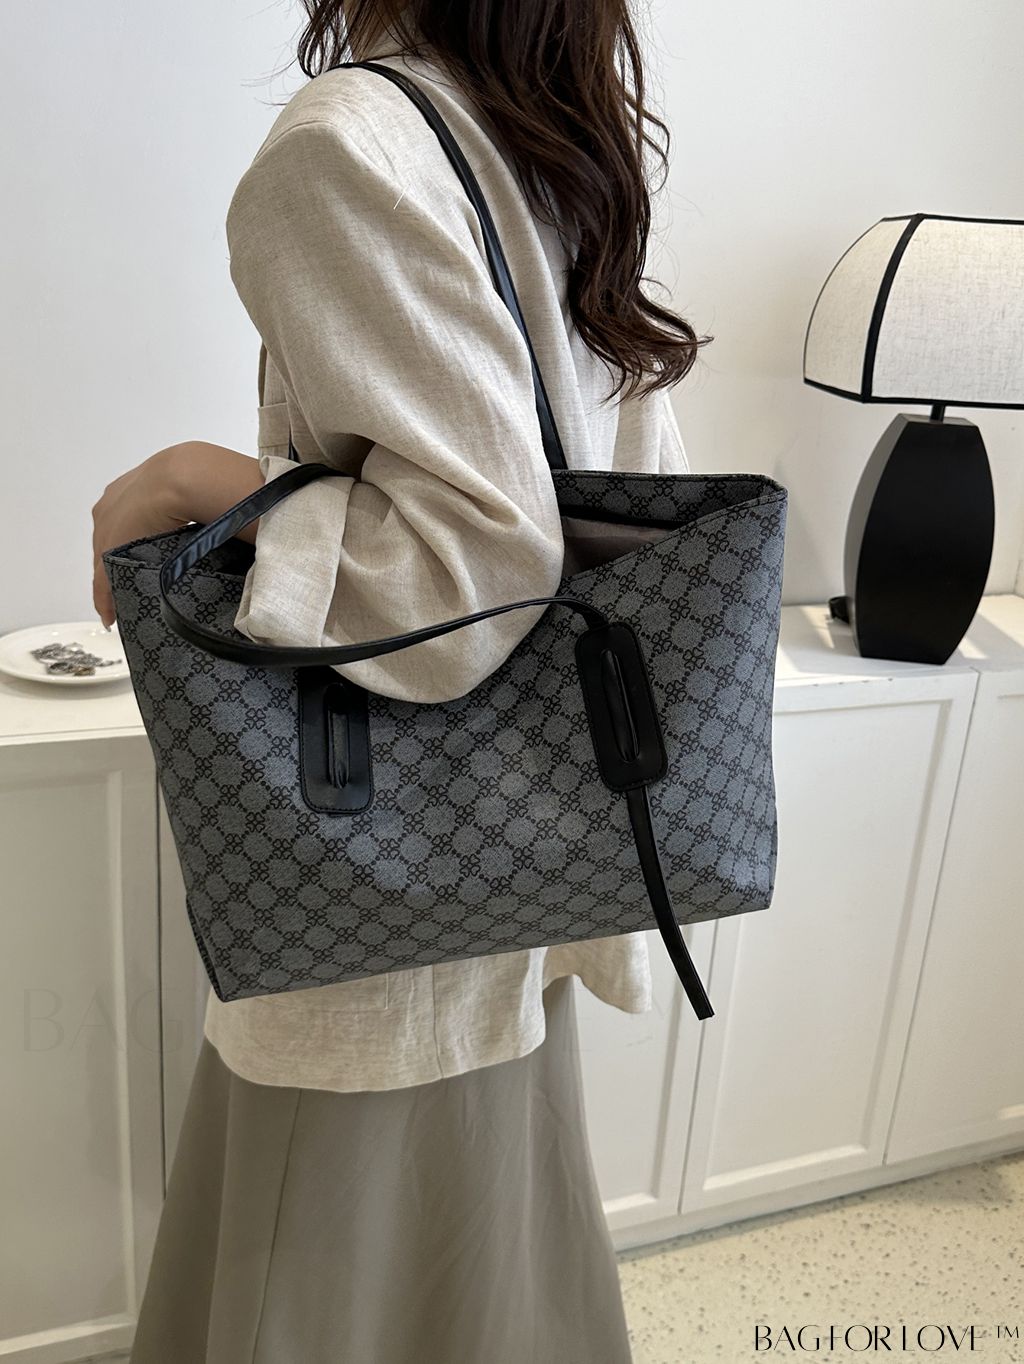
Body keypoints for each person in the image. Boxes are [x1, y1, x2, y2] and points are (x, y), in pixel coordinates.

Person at [92, 2, 707, 1360]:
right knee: (483, 1270)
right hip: (529, 835)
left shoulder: (349, 143)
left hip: (380, 865)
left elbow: (470, 566)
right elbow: (623, 501)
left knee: (318, 1270)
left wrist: (203, 485)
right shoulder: (550, 141)